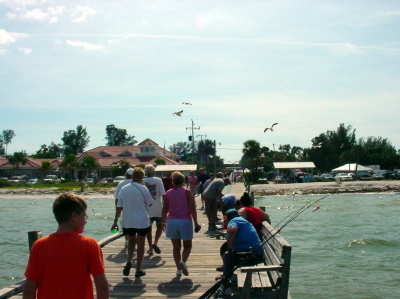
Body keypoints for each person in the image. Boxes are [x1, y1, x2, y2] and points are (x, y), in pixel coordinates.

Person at [23, 193, 109, 299]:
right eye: (84, 216)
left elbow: (29, 289)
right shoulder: (89, 245)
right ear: (74, 216)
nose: (85, 220)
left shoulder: (39, 245)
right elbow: (102, 286)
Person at [111, 167, 153, 278]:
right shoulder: (144, 188)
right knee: (140, 245)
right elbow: (150, 203)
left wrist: (115, 221)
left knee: (131, 243)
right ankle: (138, 269)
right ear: (142, 177)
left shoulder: (124, 189)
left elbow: (119, 207)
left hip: (128, 221)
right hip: (141, 221)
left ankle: (129, 261)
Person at [162, 171, 201, 277]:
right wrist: (196, 223)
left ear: (173, 181)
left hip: (172, 222)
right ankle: (183, 262)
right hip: (185, 221)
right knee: (187, 246)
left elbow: (164, 209)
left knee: (176, 247)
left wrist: (163, 222)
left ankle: (178, 270)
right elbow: (192, 209)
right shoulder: (187, 192)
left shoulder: (168, 193)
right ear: (183, 181)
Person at [218, 209, 263, 282]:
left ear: (227, 217)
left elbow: (232, 229)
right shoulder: (242, 220)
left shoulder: (233, 221)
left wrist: (230, 246)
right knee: (224, 247)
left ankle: (225, 276)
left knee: (227, 255)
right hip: (257, 252)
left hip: (252, 255)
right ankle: (226, 268)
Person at [143, 164, 166, 255]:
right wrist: (165, 208)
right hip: (158, 208)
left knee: (148, 229)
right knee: (159, 226)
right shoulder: (158, 180)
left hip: (147, 209)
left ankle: (150, 247)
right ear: (154, 171)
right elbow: (163, 195)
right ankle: (155, 243)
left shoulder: (142, 181)